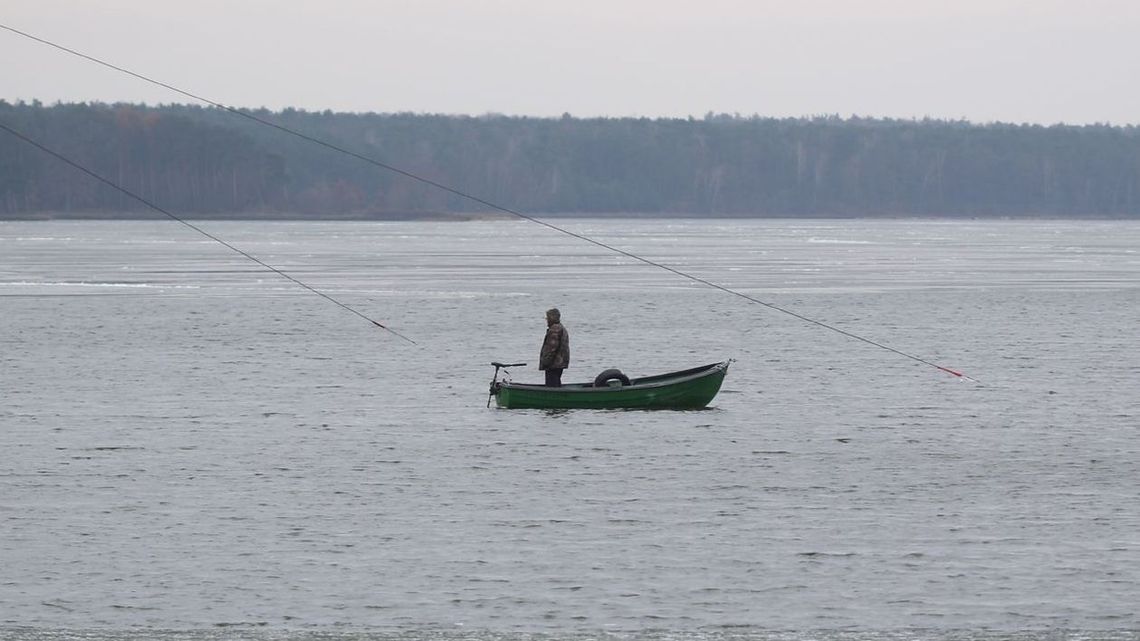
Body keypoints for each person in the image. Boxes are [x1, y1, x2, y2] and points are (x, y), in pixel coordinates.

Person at [539, 307, 570, 387]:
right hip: (560, 363)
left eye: (547, 317)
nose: (547, 320)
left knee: (552, 386)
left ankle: (553, 398)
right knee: (556, 384)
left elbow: (552, 348)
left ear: (552, 318)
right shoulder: (561, 327)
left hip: (553, 364)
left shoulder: (555, 330)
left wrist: (545, 362)